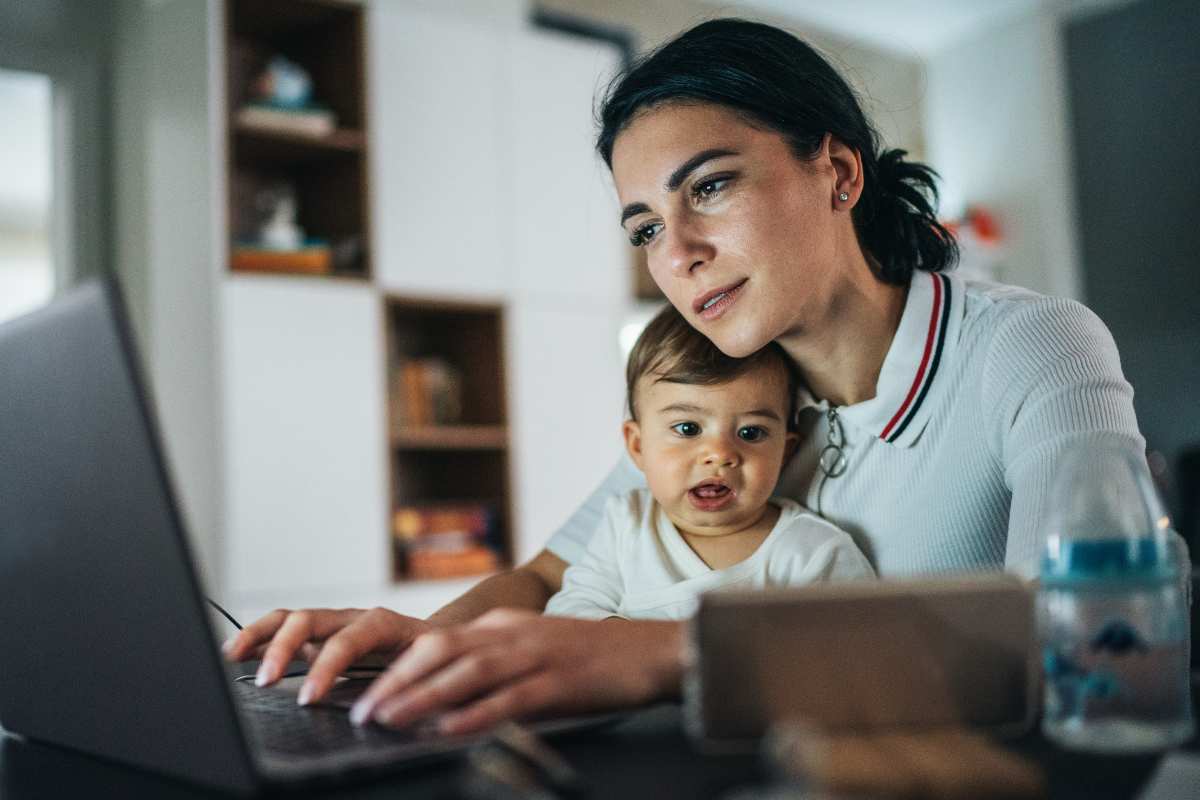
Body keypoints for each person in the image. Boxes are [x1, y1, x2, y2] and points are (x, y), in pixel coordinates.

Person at [224, 18, 1142, 736]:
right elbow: (549, 576)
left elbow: (1100, 636)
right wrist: (426, 641)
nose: (682, 254)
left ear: (838, 171)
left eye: (708, 187)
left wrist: (677, 652)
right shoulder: (730, 391)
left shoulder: (1032, 347)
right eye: (645, 229)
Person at [545, 305, 874, 622]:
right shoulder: (627, 525)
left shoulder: (812, 552)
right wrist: (619, 642)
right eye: (688, 429)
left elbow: (858, 653)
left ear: (784, 453)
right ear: (638, 445)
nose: (720, 453)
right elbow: (571, 610)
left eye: (751, 432)